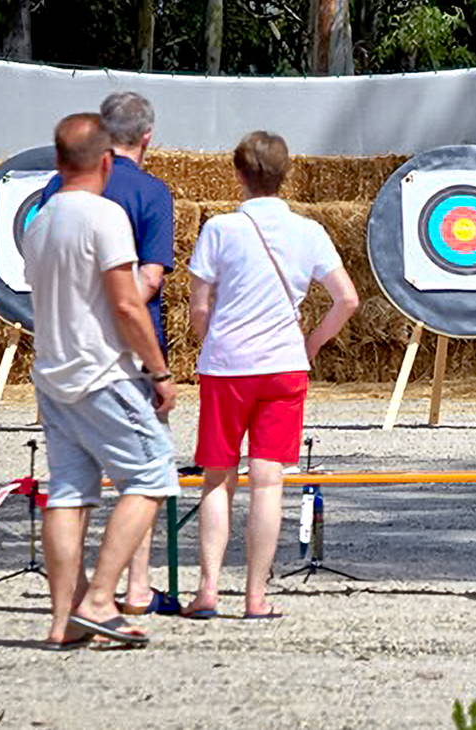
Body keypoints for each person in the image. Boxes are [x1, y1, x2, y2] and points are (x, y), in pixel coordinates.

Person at [180, 131, 359, 620]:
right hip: (284, 366)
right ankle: (256, 597)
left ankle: (209, 590)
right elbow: (347, 299)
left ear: (238, 174)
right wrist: (312, 343)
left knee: (217, 480)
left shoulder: (219, 228)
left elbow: (199, 306)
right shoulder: (309, 231)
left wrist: (210, 340)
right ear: (286, 174)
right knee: (268, 482)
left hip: (227, 367)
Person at [25, 113, 179, 649]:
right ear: (107, 161)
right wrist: (159, 370)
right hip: (103, 371)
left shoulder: (39, 221)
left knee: (68, 494)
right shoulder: (104, 216)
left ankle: (64, 617)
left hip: (54, 371)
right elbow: (126, 304)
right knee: (153, 476)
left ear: (58, 159)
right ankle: (98, 600)